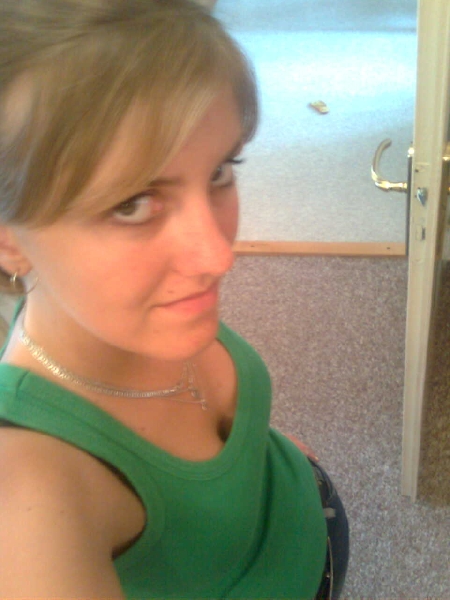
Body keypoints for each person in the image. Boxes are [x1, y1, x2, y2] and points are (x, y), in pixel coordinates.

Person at [0, 1, 348, 598]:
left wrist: (260, 453)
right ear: (9, 240)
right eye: (132, 204)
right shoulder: (30, 492)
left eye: (219, 171)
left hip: (300, 497)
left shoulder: (126, 311)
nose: (218, 257)